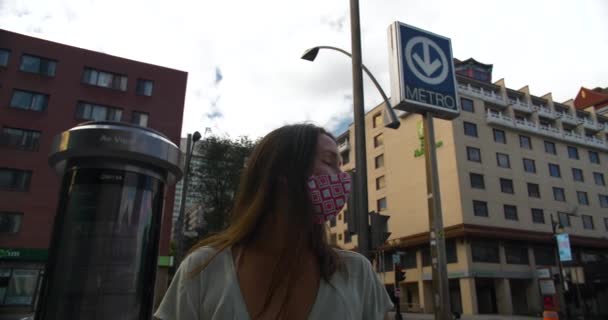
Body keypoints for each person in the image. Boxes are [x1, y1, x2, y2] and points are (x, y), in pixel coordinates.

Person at [154, 124, 393, 320]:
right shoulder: (204, 268)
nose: (342, 178)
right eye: (330, 163)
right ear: (283, 174)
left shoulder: (357, 272)